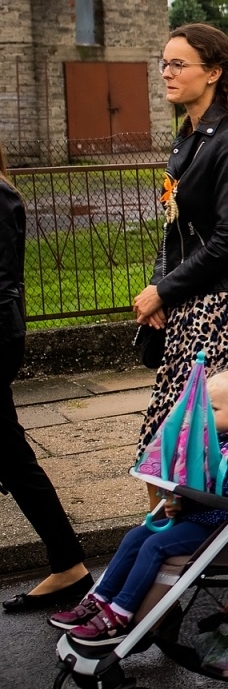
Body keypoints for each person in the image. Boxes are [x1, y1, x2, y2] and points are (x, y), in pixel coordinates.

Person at [52, 366, 228, 646]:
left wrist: (185, 504)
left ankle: (121, 612)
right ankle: (100, 598)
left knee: (155, 545)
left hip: (223, 525)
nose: (204, 416)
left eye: (211, 409)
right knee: (136, 536)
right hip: (202, 514)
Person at [135, 25, 228, 460]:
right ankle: (180, 528)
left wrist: (164, 288)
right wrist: (160, 290)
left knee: (193, 445)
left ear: (213, 72)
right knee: (166, 443)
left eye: (178, 64)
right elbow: (172, 228)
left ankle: (216, 527)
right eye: (164, 63)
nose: (166, 72)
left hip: (226, 308)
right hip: (190, 304)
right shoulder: (187, 139)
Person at [0, 142, 92, 615]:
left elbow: (1, 283)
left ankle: (69, 563)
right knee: (12, 457)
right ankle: (68, 561)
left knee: (13, 458)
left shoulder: (0, 196)